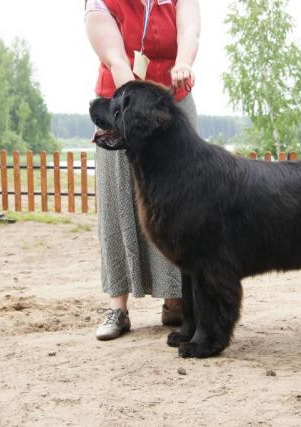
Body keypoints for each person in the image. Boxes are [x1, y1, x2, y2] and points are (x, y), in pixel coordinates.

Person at [84, 0, 201, 340]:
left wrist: (183, 64)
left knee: (180, 209)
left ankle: (176, 301)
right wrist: (137, 102)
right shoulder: (102, 3)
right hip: (122, 107)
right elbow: (116, 58)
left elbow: (190, 31)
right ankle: (117, 308)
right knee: (120, 205)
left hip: (172, 107)